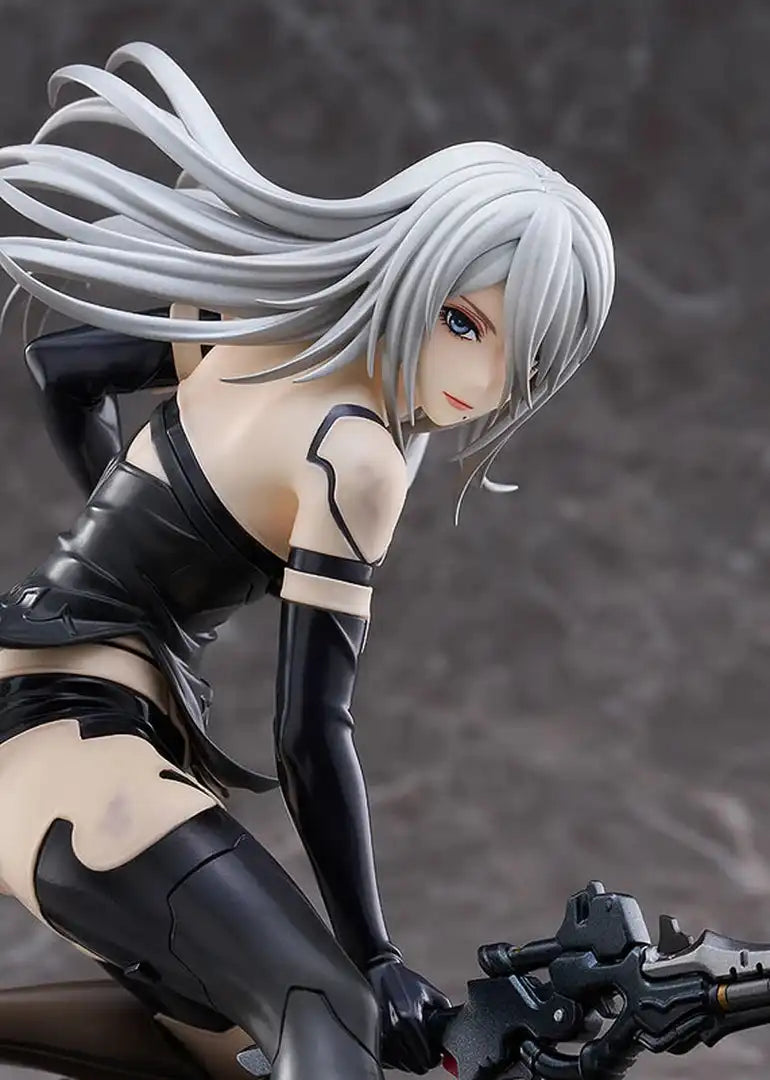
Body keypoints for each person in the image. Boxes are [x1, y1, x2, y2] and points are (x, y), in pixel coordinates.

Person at [0, 42, 614, 1080]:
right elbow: (309, 734)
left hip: (52, 700)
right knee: (325, 1015)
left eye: (523, 360)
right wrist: (374, 957)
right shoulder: (353, 454)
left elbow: (62, 369)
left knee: (229, 1048)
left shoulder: (260, 327)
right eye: (462, 321)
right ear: (414, 267)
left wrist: (117, 549)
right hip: (65, 738)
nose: (478, 383)